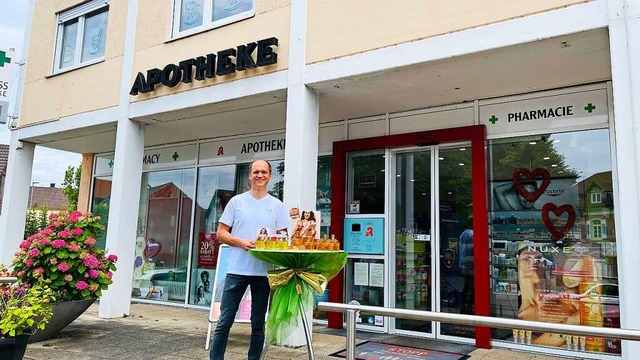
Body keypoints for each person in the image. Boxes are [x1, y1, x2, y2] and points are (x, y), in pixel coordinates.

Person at [210, 159, 290, 360]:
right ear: (249, 175)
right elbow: (221, 233)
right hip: (237, 270)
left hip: (263, 272)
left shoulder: (277, 205)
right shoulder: (236, 202)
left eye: (264, 172)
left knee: (258, 325)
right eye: (256, 172)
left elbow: (283, 239)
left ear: (270, 176)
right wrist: (241, 242)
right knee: (224, 322)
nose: (260, 175)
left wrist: (275, 244)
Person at [517, 246, 580, 346]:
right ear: (517, 265)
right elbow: (529, 347)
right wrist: (572, 321)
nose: (535, 261)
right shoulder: (518, 314)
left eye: (539, 259)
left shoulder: (564, 299)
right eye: (527, 258)